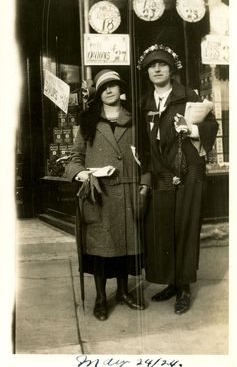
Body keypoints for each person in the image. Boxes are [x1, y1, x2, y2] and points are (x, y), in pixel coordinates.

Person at [137, 44, 218, 314]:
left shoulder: (188, 96)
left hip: (188, 173)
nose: (157, 69)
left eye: (162, 65)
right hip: (160, 174)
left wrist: (192, 128)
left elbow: (212, 125)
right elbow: (142, 142)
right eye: (152, 66)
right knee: (163, 229)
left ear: (171, 70)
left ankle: (184, 287)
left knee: (185, 228)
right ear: (147, 72)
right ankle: (171, 282)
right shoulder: (144, 103)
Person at [66, 69, 151, 321]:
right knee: (102, 250)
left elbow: (146, 159)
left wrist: (144, 185)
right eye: (104, 88)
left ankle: (123, 292)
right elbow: (75, 159)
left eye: (113, 85)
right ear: (99, 93)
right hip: (99, 195)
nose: (109, 91)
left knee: (125, 248)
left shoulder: (134, 119)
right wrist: (80, 174)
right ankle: (101, 298)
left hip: (128, 193)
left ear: (120, 89)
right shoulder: (88, 122)